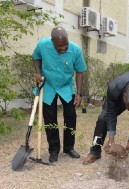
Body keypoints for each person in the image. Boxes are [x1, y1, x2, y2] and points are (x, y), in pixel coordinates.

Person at [33, 26, 87, 163]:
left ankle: (69, 148)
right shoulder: (43, 45)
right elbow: (36, 57)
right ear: (52, 41)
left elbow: (80, 71)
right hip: (48, 86)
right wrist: (38, 73)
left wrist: (79, 93)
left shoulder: (75, 50)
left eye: (65, 44)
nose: (63, 48)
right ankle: (53, 150)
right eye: (59, 46)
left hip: (66, 86)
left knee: (71, 116)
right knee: (50, 119)